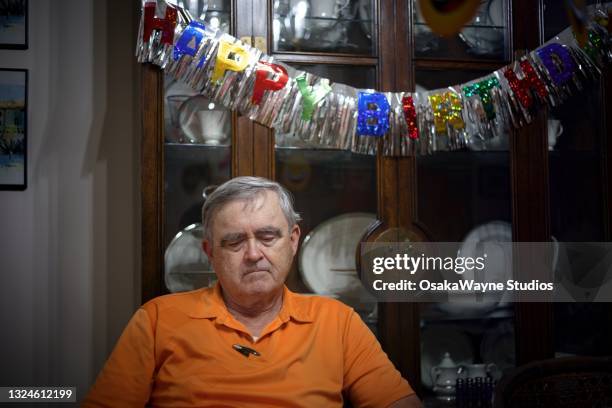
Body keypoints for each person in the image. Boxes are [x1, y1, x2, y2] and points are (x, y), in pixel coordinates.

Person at [84, 176, 421, 407]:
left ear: (292, 242)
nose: (254, 253)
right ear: (210, 253)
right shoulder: (158, 319)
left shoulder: (339, 322)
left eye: (268, 236)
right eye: (234, 241)